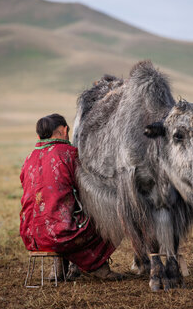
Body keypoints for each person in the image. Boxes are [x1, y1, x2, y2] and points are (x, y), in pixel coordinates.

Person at [20, 113, 123, 280]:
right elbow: (88, 188)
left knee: (59, 215)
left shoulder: (29, 157)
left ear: (39, 135)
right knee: (111, 217)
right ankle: (98, 266)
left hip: (31, 235)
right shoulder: (70, 154)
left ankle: (59, 268)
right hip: (59, 235)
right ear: (64, 130)